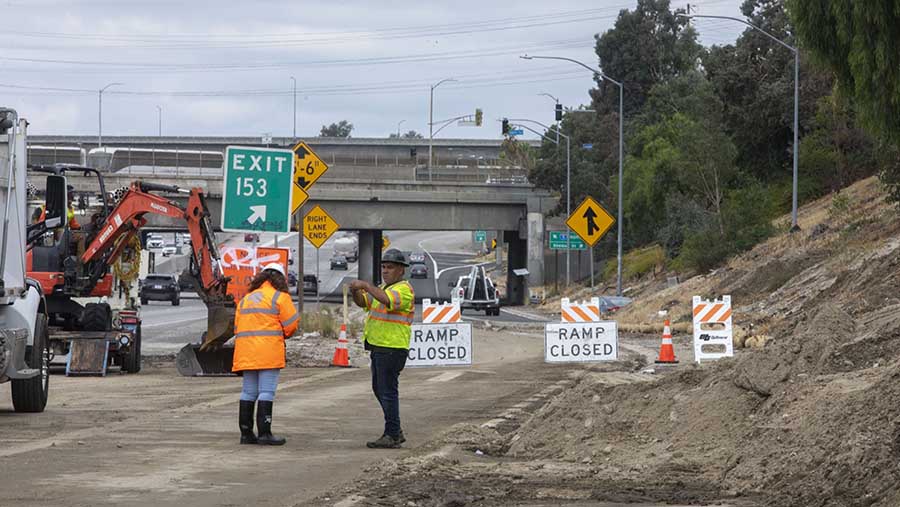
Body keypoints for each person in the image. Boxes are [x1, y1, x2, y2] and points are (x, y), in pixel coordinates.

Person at [348, 248, 415, 449]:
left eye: (390, 267)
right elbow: (364, 303)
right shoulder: (383, 289)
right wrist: (356, 292)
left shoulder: (403, 290)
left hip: (392, 347)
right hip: (380, 347)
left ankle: (392, 433)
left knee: (387, 392)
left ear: (401, 270)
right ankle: (394, 431)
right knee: (380, 389)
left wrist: (366, 286)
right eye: (384, 267)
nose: (385, 271)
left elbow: (388, 302)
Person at [232, 263, 300, 446]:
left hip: (246, 352)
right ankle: (264, 433)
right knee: (266, 392)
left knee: (248, 392)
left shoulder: (246, 299)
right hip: (268, 352)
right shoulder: (280, 297)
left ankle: (246, 434)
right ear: (280, 278)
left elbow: (237, 327)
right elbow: (291, 325)